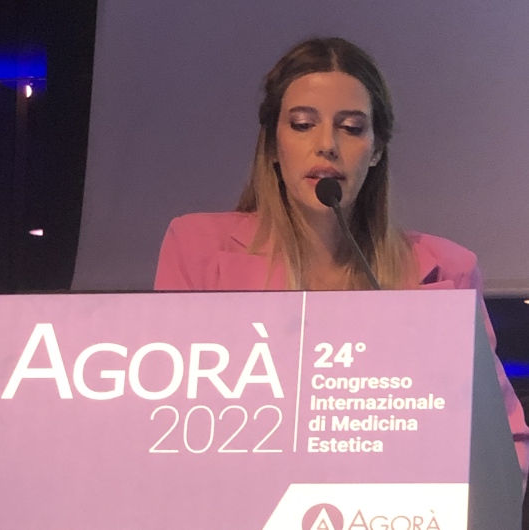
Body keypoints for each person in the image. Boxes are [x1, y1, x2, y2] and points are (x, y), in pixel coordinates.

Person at [154, 37, 529, 486]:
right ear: (272, 146)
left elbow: (503, 446)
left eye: (351, 128)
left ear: (376, 150)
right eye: (302, 124)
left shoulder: (447, 271)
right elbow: (162, 420)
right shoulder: (197, 250)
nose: (326, 145)